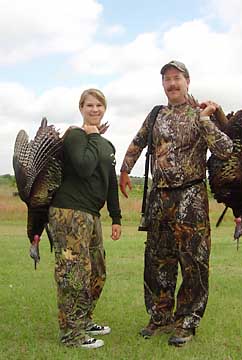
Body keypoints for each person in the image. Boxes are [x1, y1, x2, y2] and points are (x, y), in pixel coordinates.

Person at [119, 60, 233, 347]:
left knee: (194, 262)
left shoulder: (200, 114)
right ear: (163, 85)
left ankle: (187, 321)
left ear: (188, 81)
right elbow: (138, 141)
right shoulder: (157, 114)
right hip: (159, 198)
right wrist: (123, 170)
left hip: (191, 197)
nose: (172, 84)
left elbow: (225, 149)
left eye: (177, 78)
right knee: (157, 261)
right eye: (167, 79)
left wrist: (208, 119)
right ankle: (159, 317)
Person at [49, 88, 122, 349]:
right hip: (69, 211)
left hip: (92, 214)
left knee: (97, 271)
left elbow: (110, 182)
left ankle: (84, 320)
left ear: (104, 108)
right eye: (89, 105)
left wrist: (116, 217)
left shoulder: (106, 144)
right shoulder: (76, 136)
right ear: (81, 108)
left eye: (99, 105)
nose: (94, 110)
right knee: (73, 273)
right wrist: (92, 137)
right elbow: (83, 166)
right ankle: (71, 334)